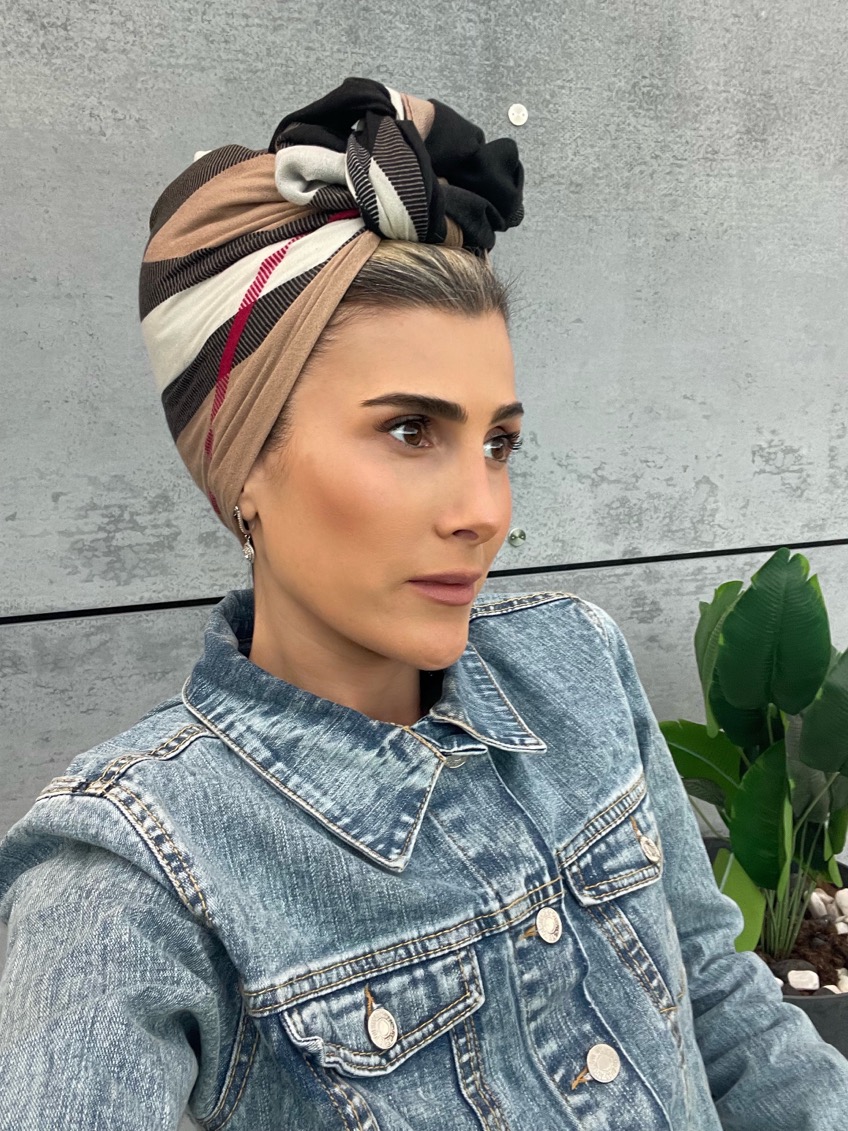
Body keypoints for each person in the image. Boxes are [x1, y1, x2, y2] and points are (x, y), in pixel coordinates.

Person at [0, 76, 846, 1131]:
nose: (483, 511)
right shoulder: (129, 877)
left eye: (498, 442)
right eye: (410, 431)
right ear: (242, 468)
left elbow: (718, 1003)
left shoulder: (577, 664)